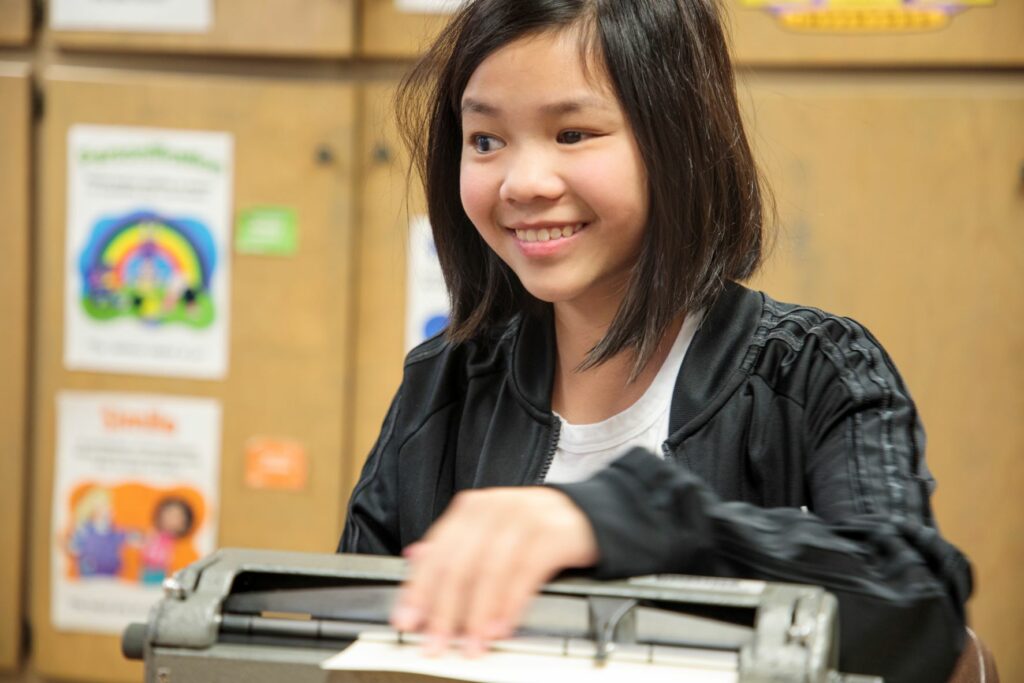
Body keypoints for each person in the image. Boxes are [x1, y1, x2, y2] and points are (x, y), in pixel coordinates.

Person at [338, 1, 972, 681]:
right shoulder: (445, 382)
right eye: (485, 141)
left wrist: (632, 518)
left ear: (677, 138)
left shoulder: (818, 370)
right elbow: (345, 631)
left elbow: (915, 602)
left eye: (573, 133)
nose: (522, 183)